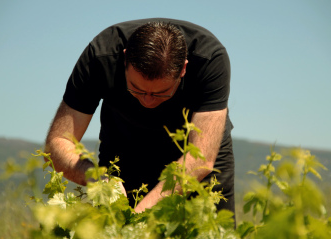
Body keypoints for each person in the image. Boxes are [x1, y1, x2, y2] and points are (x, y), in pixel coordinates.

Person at [45, 18, 234, 215]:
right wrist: (99, 180)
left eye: (161, 92)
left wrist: (140, 215)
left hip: (194, 154)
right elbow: (58, 142)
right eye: (136, 89)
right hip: (124, 147)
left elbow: (201, 158)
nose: (148, 101)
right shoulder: (101, 56)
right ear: (124, 60)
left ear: (183, 69)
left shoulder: (209, 59)